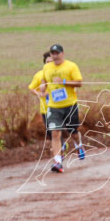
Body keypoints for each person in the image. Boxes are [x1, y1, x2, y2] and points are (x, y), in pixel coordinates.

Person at [41, 44, 85, 173]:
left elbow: (79, 82)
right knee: (55, 132)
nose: (55, 55)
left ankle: (79, 144)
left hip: (70, 105)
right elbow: (44, 80)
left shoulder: (71, 66)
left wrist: (64, 82)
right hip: (54, 107)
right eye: (53, 53)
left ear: (62, 54)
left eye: (57, 53)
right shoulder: (47, 67)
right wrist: (43, 87)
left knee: (73, 132)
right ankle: (58, 161)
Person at [28, 51, 50, 130]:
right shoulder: (39, 75)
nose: (49, 64)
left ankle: (63, 142)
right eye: (48, 62)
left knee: (57, 131)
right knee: (50, 132)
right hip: (45, 109)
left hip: (59, 107)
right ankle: (61, 143)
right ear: (44, 63)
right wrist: (39, 93)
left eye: (51, 62)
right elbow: (31, 88)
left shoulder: (59, 74)